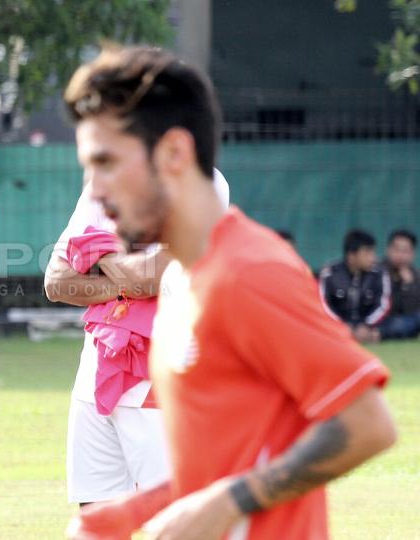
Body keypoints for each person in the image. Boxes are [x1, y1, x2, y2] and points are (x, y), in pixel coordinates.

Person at [63, 45, 396, 540]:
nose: (96, 190)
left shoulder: (250, 272)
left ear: (174, 152)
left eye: (107, 163)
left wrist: (230, 502)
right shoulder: (185, 282)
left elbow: (368, 425)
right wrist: (118, 520)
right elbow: (214, 470)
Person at [45, 170, 229, 507]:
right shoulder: (103, 180)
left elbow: (151, 277)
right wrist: (129, 278)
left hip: (162, 378)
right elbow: (56, 282)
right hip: (95, 378)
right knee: (97, 517)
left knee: (173, 518)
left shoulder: (201, 181)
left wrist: (98, 254)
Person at [319, 229, 391, 343]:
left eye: (373, 252)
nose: (372, 258)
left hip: (369, 327)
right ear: (351, 256)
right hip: (336, 327)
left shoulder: (379, 273)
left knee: (399, 324)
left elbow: (383, 305)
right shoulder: (330, 273)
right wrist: (342, 327)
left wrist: (366, 325)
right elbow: (323, 305)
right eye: (367, 253)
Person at [379, 229, 420, 339]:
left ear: (413, 254)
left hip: (405, 321)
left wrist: (408, 285)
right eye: (397, 250)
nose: (401, 255)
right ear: (388, 250)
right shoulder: (377, 271)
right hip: (382, 321)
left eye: (405, 251)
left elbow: (411, 310)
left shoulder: (415, 275)